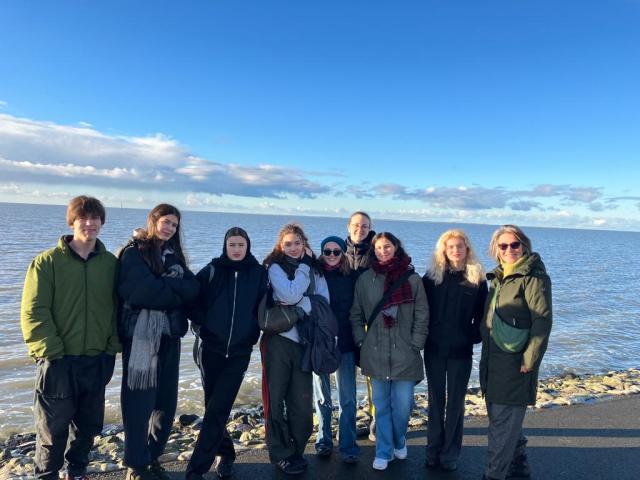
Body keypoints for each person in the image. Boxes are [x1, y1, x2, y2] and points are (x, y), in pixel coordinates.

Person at [20, 195, 120, 480]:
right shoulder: (46, 263)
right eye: (83, 218)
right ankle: (47, 475)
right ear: (72, 221)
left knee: (89, 427)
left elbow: (117, 307)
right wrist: (51, 351)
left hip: (97, 358)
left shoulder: (110, 263)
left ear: (102, 222)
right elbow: (33, 312)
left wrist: (111, 347)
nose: (89, 224)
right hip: (58, 360)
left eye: (95, 218)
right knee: (53, 430)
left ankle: (77, 471)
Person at [117, 204, 199, 480]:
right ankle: (135, 465)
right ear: (153, 221)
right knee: (139, 403)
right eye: (166, 222)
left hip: (169, 338)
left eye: (174, 225)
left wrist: (167, 288)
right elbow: (140, 292)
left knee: (166, 403)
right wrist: (173, 293)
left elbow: (193, 289)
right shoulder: (134, 252)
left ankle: (152, 457)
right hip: (141, 339)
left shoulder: (175, 257)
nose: (169, 228)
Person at [185, 227, 268, 480]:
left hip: (240, 353)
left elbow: (264, 307)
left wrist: (251, 335)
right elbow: (191, 300)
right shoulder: (212, 271)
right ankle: (226, 453)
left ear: (248, 246)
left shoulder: (258, 274)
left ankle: (196, 469)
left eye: (240, 245)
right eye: (232, 245)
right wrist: (203, 325)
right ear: (225, 246)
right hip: (210, 350)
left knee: (218, 408)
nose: (236, 249)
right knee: (214, 407)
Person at [350, 232, 429, 471]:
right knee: (382, 406)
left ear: (396, 247)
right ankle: (384, 451)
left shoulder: (412, 279)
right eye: (378, 248)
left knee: (403, 406)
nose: (383, 251)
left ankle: (399, 439)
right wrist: (362, 341)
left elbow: (422, 314)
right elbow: (356, 314)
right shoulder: (365, 279)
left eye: (387, 246)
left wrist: (416, 342)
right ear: (373, 250)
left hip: (406, 353)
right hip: (374, 353)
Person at [480, 225, 552, 480]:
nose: (509, 250)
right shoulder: (499, 278)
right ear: (496, 250)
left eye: (515, 244)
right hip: (493, 362)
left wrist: (530, 359)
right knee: (506, 423)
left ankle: (494, 475)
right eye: (503, 246)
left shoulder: (534, 277)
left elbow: (542, 321)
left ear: (524, 245)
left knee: (501, 428)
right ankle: (518, 468)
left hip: (515, 363)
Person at [261, 223, 329, 475]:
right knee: (275, 400)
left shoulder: (316, 270)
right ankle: (280, 453)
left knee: (301, 401)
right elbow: (288, 295)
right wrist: (303, 270)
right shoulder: (274, 267)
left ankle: (296, 449)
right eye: (287, 244)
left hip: (305, 342)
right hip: (277, 340)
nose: (292, 247)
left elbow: (323, 302)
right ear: (281, 245)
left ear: (305, 244)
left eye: (297, 243)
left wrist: (300, 301)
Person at [422, 229, 488, 471]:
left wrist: (472, 336)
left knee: (456, 403)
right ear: (444, 250)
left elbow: (483, 316)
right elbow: (422, 311)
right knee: (436, 400)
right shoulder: (430, 277)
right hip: (434, 348)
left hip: (462, 349)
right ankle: (433, 451)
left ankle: (450, 454)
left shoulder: (477, 278)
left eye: (460, 246)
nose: (456, 250)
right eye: (451, 247)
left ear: (467, 248)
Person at [312, 236, 360, 463]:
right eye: (327, 251)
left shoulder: (352, 276)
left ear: (343, 252)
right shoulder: (314, 275)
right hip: (320, 343)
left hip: (346, 343)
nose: (331, 255)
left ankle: (348, 445)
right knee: (322, 397)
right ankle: (323, 440)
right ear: (321, 252)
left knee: (348, 398)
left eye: (336, 251)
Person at [343, 211, 377, 440]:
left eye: (365, 226)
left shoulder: (377, 251)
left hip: (370, 323)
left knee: (373, 378)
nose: (360, 229)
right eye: (356, 225)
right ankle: (349, 424)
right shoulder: (337, 252)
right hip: (343, 322)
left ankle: (377, 421)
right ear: (349, 227)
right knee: (346, 380)